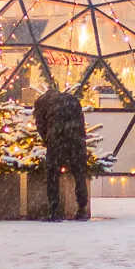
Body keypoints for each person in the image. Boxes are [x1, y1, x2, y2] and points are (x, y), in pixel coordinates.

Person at [33, 84, 92, 221]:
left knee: (53, 173)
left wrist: (47, 140)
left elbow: (41, 126)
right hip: (76, 139)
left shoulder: (41, 102)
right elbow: (81, 121)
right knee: (79, 173)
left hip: (57, 138)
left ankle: (54, 211)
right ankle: (82, 209)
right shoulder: (72, 99)